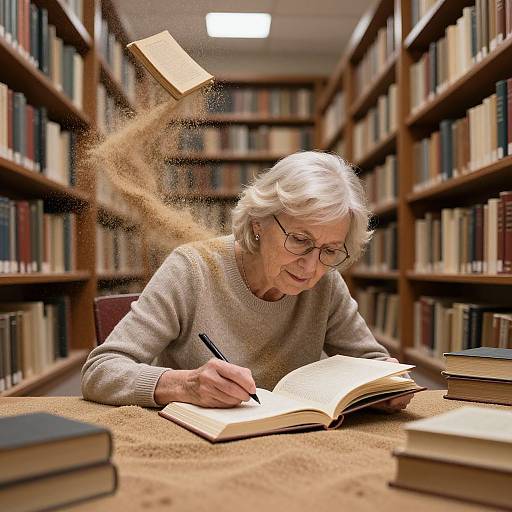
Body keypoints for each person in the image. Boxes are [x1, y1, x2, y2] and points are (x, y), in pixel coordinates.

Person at [82, 151, 413, 412]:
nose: (311, 266)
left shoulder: (327, 284)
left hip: (291, 441)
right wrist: (186, 386)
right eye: (299, 240)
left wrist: (386, 385)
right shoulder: (192, 269)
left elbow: (372, 364)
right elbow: (101, 370)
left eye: (330, 250)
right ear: (259, 223)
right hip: (202, 444)